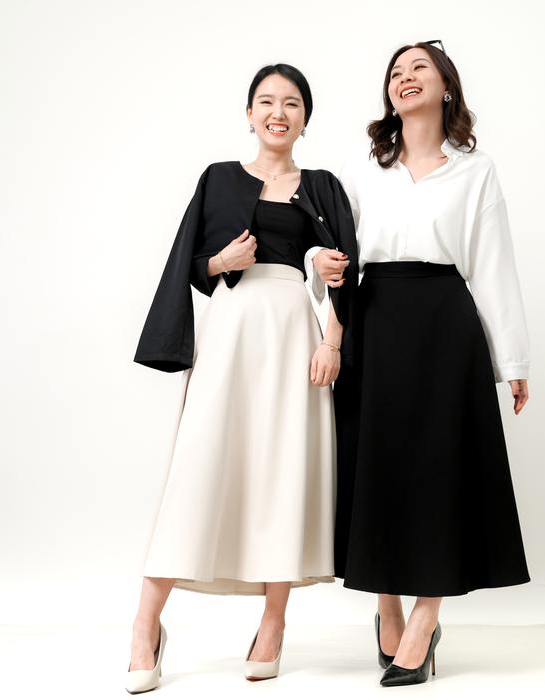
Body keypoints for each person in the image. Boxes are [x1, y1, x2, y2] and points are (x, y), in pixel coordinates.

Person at [126, 62, 357, 693]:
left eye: (291, 103)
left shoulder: (324, 187)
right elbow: (188, 263)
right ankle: (145, 624)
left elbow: (347, 270)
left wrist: (332, 340)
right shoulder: (218, 178)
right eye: (267, 101)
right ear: (249, 113)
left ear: (305, 118)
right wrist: (220, 261)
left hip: (293, 333)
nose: (279, 112)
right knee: (198, 467)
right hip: (230, 331)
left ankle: (273, 623)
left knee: (284, 470)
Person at [308, 40, 531, 687]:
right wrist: (318, 265)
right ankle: (387, 605)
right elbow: (326, 246)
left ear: (446, 86)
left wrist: (513, 357)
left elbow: (493, 263)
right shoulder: (363, 167)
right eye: (396, 72)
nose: (405, 78)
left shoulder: (474, 169)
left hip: (443, 324)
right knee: (374, 465)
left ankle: (426, 619)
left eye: (419, 69)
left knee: (439, 471)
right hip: (373, 318)